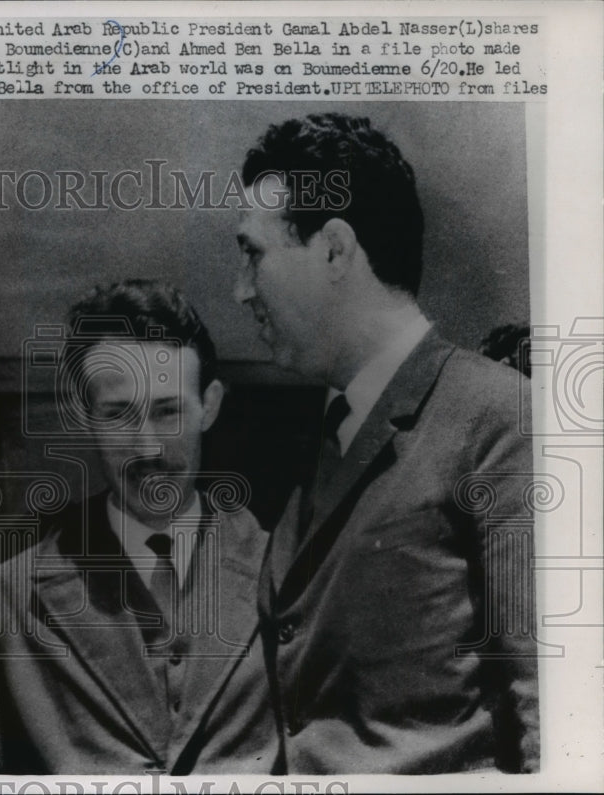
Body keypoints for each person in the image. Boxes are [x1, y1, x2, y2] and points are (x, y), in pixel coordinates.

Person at [233, 114, 539, 773]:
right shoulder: (315, 432)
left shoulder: (500, 416)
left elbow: (546, 719)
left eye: (254, 253)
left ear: (336, 250)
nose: (241, 288)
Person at [0, 280, 274, 774]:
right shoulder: (3, 606)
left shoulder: (293, 579)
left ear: (209, 405)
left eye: (168, 411)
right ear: (85, 416)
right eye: (120, 415)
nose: (148, 447)